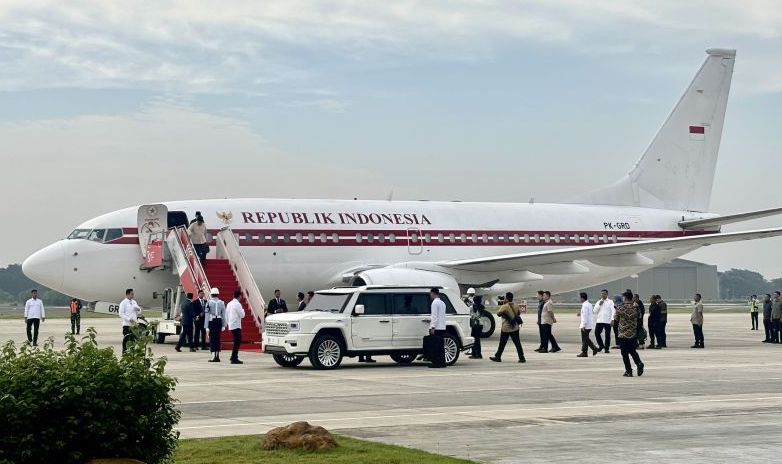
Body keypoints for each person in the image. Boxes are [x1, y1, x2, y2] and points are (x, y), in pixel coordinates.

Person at [615, 291, 644, 377]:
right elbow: (640, 316)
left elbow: (616, 318)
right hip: (632, 333)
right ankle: (639, 363)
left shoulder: (620, 307)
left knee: (624, 353)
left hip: (623, 333)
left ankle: (629, 371)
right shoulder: (636, 307)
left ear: (625, 298)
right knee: (632, 350)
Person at [490, 292, 526, 363]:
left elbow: (498, 314)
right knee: (517, 343)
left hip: (506, 328)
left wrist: (504, 307)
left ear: (506, 298)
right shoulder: (516, 305)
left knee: (502, 343)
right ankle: (522, 358)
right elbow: (518, 313)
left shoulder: (504, 306)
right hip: (515, 327)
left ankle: (498, 357)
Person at [427, 288, 447, 368]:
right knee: (441, 346)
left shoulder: (435, 303)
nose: (430, 295)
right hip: (442, 326)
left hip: (437, 327)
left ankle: (436, 363)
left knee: (435, 346)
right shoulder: (442, 303)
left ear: (433, 293)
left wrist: (432, 327)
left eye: (430, 293)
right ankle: (442, 362)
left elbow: (434, 316)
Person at [206, 287, 226, 362]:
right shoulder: (222, 303)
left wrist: (206, 326)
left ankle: (213, 356)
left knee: (212, 339)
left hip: (212, 322)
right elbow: (224, 315)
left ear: (211, 294)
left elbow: (207, 315)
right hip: (219, 321)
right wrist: (224, 325)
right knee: (217, 339)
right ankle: (217, 356)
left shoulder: (209, 303)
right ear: (218, 294)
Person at [226, 289, 246, 364]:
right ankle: (234, 358)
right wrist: (243, 310)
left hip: (231, 324)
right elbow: (242, 315)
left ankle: (233, 356)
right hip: (236, 325)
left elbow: (226, 315)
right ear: (239, 296)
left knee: (236, 341)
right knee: (237, 341)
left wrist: (228, 324)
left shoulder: (229, 303)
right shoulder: (237, 304)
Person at [119, 288, 141, 354]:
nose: (133, 295)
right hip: (127, 325)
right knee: (126, 340)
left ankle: (133, 354)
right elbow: (121, 313)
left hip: (134, 325)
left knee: (134, 340)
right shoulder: (123, 303)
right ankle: (125, 354)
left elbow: (139, 312)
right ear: (128, 294)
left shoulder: (134, 302)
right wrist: (129, 319)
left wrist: (138, 309)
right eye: (132, 294)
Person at [577, 292, 599, 357]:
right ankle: (585, 352)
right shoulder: (588, 304)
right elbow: (587, 313)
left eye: (580, 298)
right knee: (585, 338)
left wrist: (583, 325)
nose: (579, 299)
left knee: (585, 339)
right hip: (589, 324)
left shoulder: (585, 305)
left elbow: (585, 316)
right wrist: (580, 313)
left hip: (586, 325)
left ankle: (593, 349)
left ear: (582, 298)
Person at [593, 289, 615, 353]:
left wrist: (612, 319)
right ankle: (601, 345)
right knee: (597, 333)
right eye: (602, 293)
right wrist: (599, 305)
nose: (603, 295)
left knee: (607, 335)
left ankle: (606, 348)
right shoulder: (598, 302)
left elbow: (613, 311)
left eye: (604, 293)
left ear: (607, 294)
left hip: (607, 321)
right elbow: (594, 311)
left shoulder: (610, 302)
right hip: (600, 320)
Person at [469, 294, 484, 359]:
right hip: (480, 324)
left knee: (474, 339)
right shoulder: (482, 307)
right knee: (477, 339)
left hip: (475, 324)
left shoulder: (471, 307)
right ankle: (478, 354)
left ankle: (474, 354)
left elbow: (470, 315)